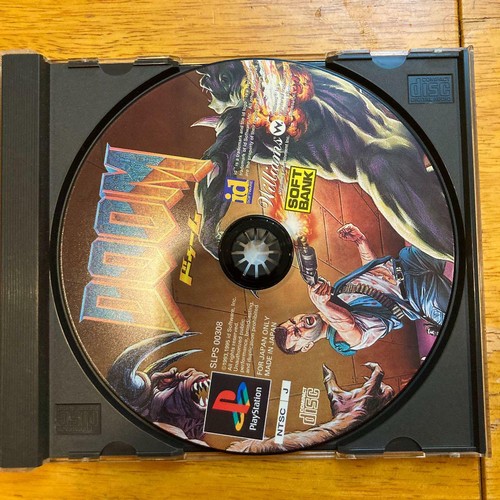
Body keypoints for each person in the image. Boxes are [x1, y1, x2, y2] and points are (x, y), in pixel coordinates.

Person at [273, 224, 452, 356]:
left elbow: (372, 278)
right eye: (298, 332)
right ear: (307, 346)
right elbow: (349, 324)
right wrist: (323, 306)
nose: (300, 324)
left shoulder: (335, 294)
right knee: (460, 309)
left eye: (293, 321)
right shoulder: (341, 340)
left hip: (409, 262)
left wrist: (360, 242)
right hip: (420, 295)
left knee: (445, 231)